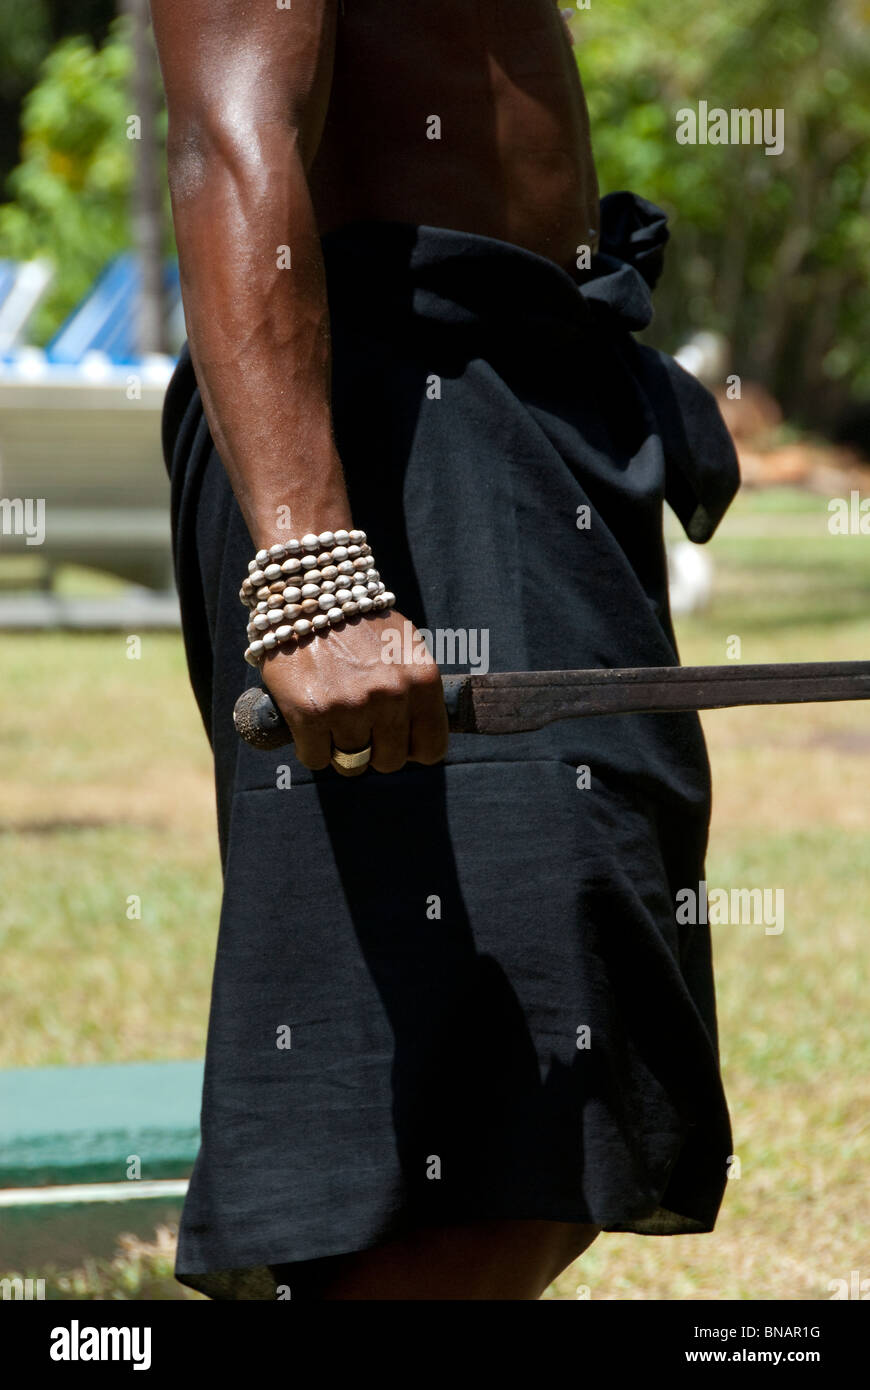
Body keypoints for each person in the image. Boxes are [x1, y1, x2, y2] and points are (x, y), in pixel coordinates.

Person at [152, 0, 740, 1300]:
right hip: (388, 418)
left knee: (572, 1064)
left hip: (529, 400)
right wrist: (311, 561)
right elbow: (225, 128)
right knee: (426, 1129)